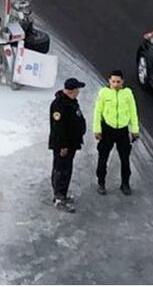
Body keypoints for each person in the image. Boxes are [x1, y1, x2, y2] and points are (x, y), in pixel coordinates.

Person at [93, 70, 139, 196]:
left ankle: (125, 183)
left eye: (118, 81)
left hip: (122, 131)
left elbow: (133, 112)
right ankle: (101, 182)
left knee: (125, 159)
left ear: (122, 82)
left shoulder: (127, 94)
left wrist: (135, 130)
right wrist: (97, 129)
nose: (116, 84)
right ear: (109, 81)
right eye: (113, 81)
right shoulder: (104, 93)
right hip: (108, 129)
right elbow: (97, 112)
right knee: (103, 157)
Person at [49, 77, 87, 213]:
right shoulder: (59, 105)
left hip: (71, 144)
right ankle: (58, 197)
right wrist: (63, 146)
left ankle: (63, 195)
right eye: (77, 89)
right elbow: (58, 128)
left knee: (67, 170)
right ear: (72, 90)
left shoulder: (70, 102)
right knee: (61, 170)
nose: (79, 92)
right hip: (63, 146)